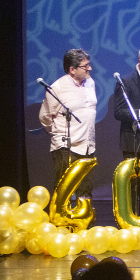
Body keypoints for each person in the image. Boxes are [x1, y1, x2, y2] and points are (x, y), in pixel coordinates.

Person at [39, 49, 97, 200]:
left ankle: (84, 221)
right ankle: (61, 223)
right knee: (64, 190)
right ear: (72, 69)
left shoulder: (90, 83)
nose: (89, 68)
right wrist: (59, 132)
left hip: (88, 146)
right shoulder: (57, 88)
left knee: (86, 189)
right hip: (66, 148)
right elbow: (45, 117)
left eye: (89, 65)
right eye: (85, 66)